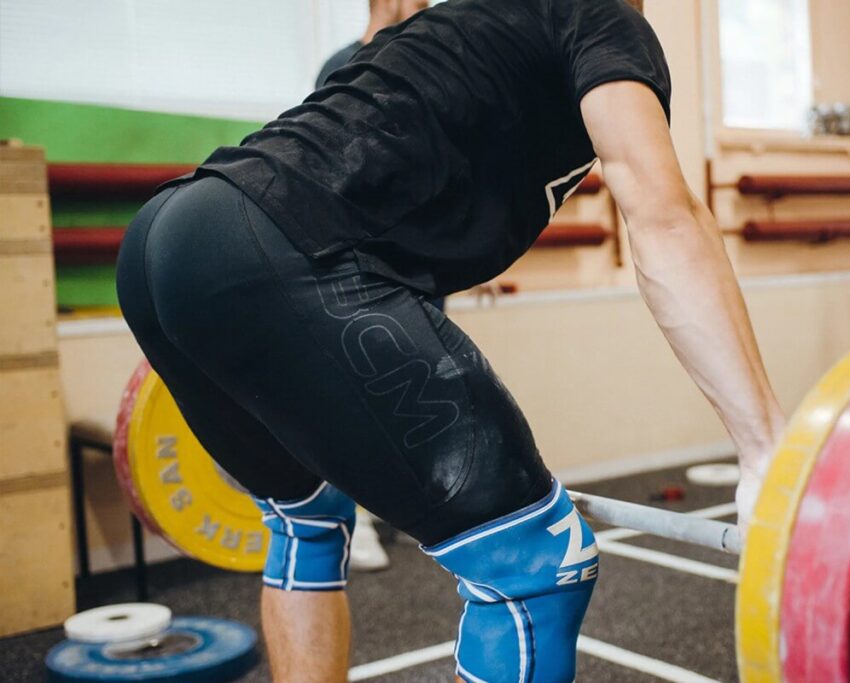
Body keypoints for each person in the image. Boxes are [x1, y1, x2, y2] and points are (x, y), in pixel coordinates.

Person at [115, 0, 785, 681]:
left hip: (166, 242)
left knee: (308, 520)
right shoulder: (600, 16)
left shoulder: (457, 27)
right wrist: (765, 448)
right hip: (276, 257)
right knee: (536, 566)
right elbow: (663, 214)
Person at [317, 0, 430, 575]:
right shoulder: (342, 66)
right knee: (358, 396)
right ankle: (354, 521)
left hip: (418, 258)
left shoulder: (430, 59)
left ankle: (415, 513)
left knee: (417, 392)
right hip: (354, 259)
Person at [316, 0, 428, 90]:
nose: (426, 18)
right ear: (388, 2)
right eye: (420, 7)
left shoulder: (412, 64)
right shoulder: (341, 65)